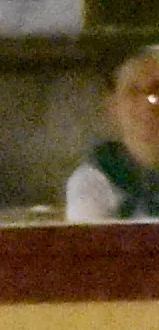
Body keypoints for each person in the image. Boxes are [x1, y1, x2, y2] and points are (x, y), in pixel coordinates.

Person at [54, 39, 159, 219]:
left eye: (157, 90)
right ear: (113, 106)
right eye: (133, 92)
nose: (148, 104)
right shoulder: (94, 182)